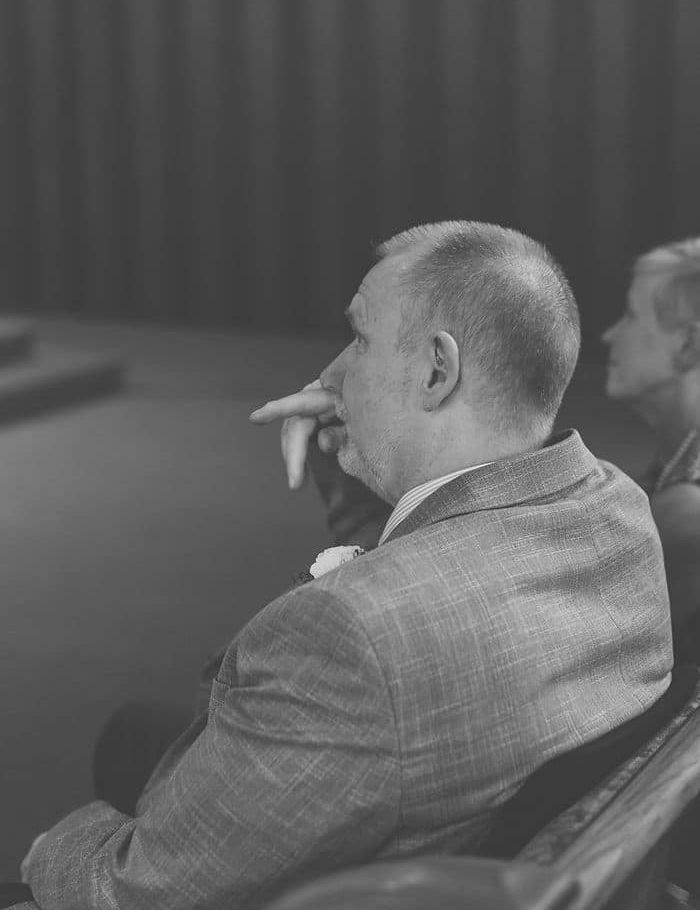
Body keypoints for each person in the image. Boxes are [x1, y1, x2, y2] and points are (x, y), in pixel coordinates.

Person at [4, 221, 672, 910]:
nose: (329, 375)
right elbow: (442, 573)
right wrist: (360, 486)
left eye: (358, 340)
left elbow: (134, 894)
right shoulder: (616, 509)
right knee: (134, 732)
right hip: (479, 829)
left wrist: (51, 854)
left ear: (437, 371)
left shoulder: (353, 635)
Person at [602, 237, 700, 662]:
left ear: (689, 347)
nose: (609, 335)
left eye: (631, 315)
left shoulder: (687, 511)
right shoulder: (676, 463)